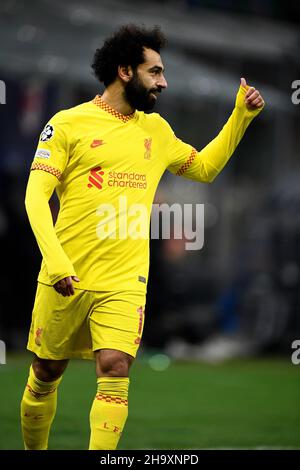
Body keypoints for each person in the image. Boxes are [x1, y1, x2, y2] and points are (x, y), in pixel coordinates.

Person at [21, 24, 265, 450]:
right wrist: (56, 261)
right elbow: (35, 199)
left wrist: (240, 116)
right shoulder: (67, 124)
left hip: (124, 279)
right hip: (66, 273)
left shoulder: (157, 131)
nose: (163, 82)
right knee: (44, 373)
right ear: (125, 71)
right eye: (155, 72)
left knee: (115, 367)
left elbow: (204, 168)